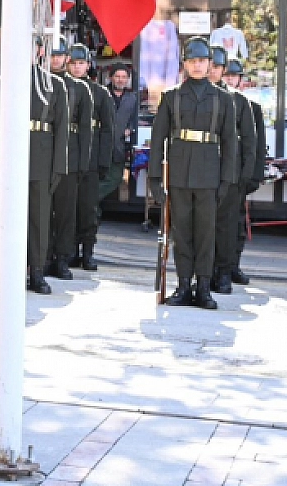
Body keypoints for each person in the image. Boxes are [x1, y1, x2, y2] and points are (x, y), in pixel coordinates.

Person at [149, 37, 239, 309]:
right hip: (179, 172)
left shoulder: (223, 99)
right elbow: (158, 140)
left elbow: (230, 144)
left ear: (210, 64)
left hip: (209, 173)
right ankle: (183, 285)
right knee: (181, 232)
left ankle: (203, 286)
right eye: (192, 61)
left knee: (205, 233)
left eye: (202, 61)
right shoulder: (172, 97)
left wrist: (226, 180)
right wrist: (155, 178)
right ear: (185, 64)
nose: (197, 66)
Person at [0, 43, 69, 294]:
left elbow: (62, 131)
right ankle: (7, 271)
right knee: (7, 219)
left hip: (41, 160)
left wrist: (58, 168)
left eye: (32, 47)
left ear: (40, 52)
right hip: (10, 159)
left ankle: (37, 272)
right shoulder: (4, 81)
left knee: (39, 221)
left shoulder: (53, 84)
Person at [207, 47, 259, 295]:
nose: (212, 72)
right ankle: (205, 271)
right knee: (204, 225)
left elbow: (250, 143)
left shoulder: (240, 102)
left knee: (228, 227)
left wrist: (247, 175)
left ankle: (225, 271)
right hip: (204, 172)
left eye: (217, 68)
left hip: (232, 174)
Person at [221, 58, 268, 284]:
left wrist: (253, 175)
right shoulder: (221, 101)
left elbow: (256, 146)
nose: (229, 79)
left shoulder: (251, 107)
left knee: (237, 223)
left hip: (240, 173)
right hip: (221, 172)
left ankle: (233, 265)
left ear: (240, 80)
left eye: (233, 76)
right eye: (227, 75)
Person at [67, 45, 114, 270]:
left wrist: (104, 161)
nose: (77, 67)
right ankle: (67, 251)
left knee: (88, 209)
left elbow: (107, 130)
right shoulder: (62, 88)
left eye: (81, 63)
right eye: (73, 63)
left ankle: (87, 252)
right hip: (68, 156)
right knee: (67, 208)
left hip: (92, 159)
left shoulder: (101, 93)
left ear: (88, 65)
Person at [48, 40, 92, 279]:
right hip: (44, 155)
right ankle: (42, 256)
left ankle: (62, 258)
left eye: (60, 55)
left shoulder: (79, 88)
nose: (56, 60)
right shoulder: (41, 83)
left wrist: (83, 162)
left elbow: (86, 130)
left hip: (70, 157)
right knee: (43, 213)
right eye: (52, 55)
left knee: (66, 212)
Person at [102, 65, 140, 204]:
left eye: (124, 77)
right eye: (117, 76)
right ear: (111, 77)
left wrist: (130, 129)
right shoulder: (102, 94)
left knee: (116, 178)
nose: (120, 80)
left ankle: (88, 201)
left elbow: (134, 119)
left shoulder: (132, 98)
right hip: (101, 144)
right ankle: (92, 211)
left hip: (120, 144)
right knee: (98, 178)